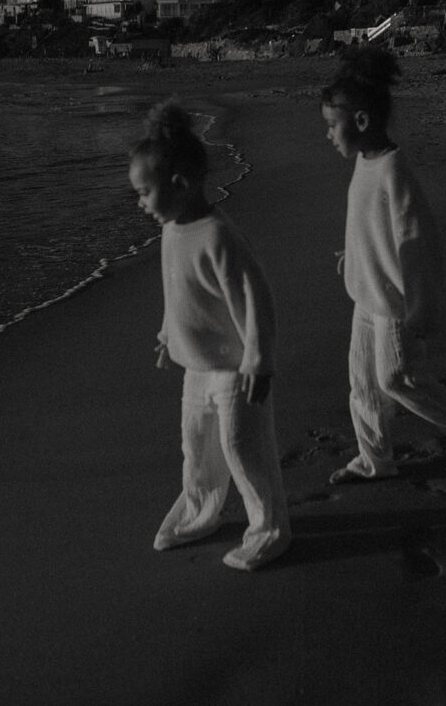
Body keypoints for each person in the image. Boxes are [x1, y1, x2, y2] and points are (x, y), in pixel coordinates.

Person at [128, 99, 291, 570]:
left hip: (236, 368)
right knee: (197, 445)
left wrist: (260, 361)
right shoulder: (171, 229)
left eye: (143, 193)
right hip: (196, 366)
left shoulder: (218, 236)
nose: (140, 204)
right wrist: (166, 335)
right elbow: (178, 292)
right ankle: (201, 511)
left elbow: (254, 300)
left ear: (179, 183)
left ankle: (270, 527)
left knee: (242, 447)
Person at [321, 46, 446, 483]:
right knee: (362, 383)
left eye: (331, 125)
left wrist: (421, 305)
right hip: (366, 291)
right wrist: (353, 256)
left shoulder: (393, 172)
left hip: (395, 298)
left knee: (396, 377)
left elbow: (415, 241)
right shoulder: (365, 160)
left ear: (360, 121)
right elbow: (369, 224)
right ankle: (375, 457)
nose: (327, 135)